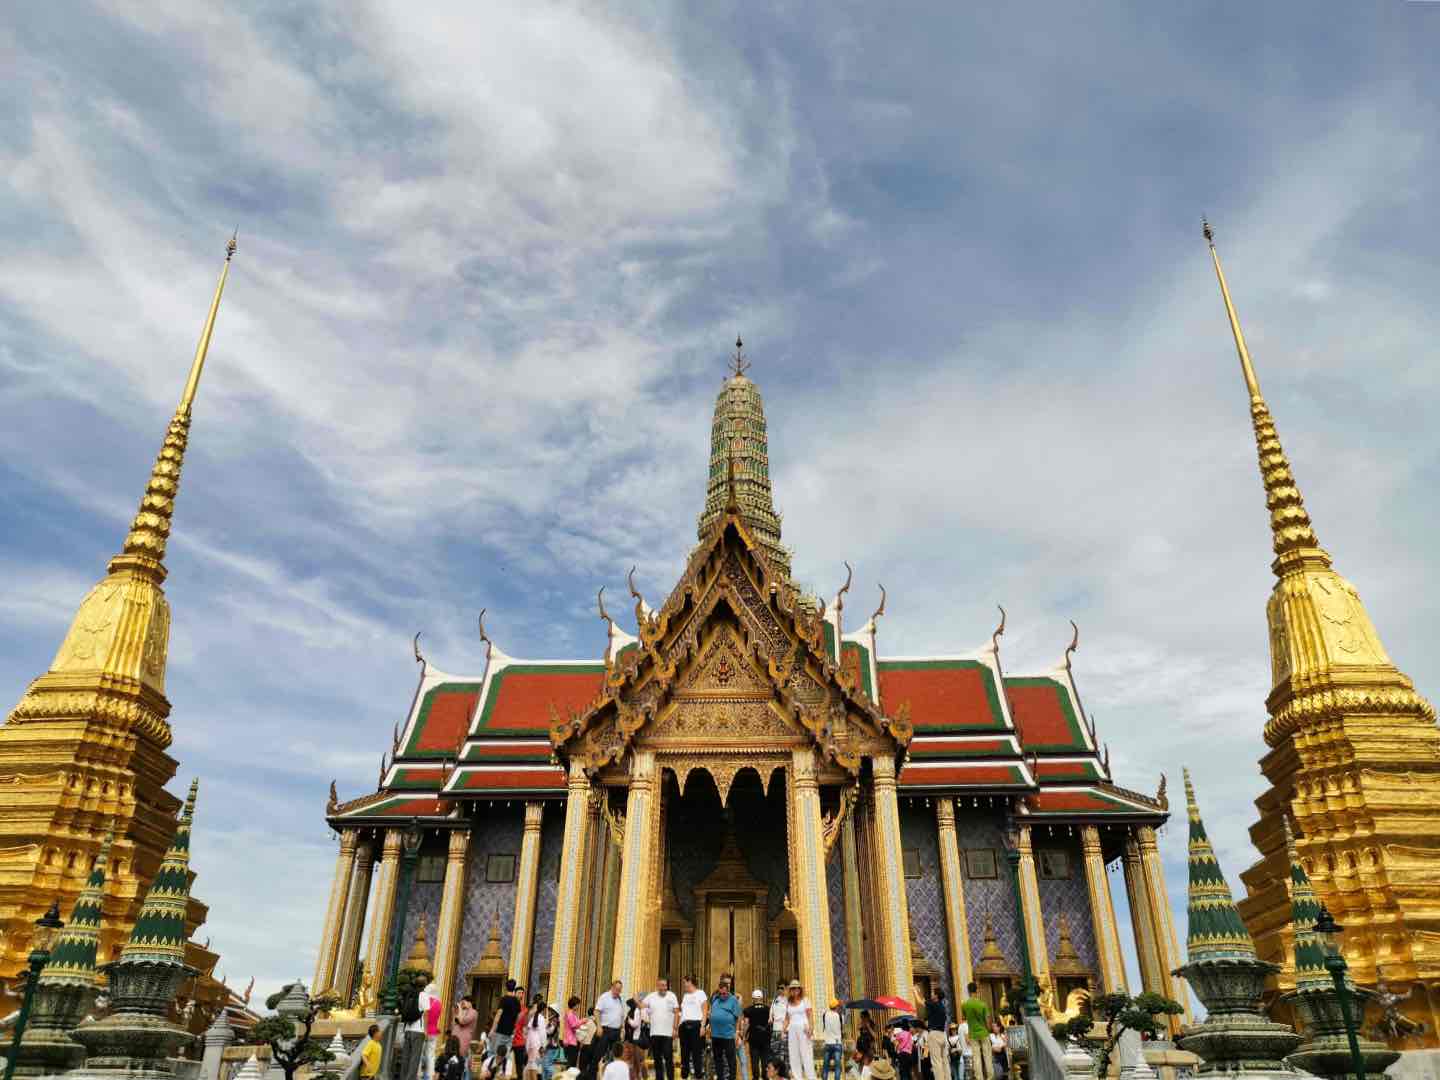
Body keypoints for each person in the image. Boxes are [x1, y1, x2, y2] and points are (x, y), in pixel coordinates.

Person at [644, 978, 680, 1080]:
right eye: (661, 985)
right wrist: (636, 1000)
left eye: (665, 985)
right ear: (657, 986)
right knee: (657, 1059)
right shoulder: (651, 996)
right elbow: (642, 1006)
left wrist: (675, 1029)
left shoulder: (672, 996)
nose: (664, 987)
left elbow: (677, 1012)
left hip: (668, 1034)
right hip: (654, 1033)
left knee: (669, 1058)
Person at [707, 978, 743, 1080]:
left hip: (728, 1035)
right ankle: (720, 1077)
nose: (722, 996)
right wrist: (709, 1026)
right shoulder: (715, 999)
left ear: (728, 991)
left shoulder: (733, 1000)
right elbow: (711, 1014)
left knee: (731, 1060)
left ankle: (732, 1078)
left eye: (724, 994)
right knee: (717, 1059)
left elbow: (738, 1017)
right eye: (721, 993)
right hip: (715, 1035)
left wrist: (737, 1032)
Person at [402, 981, 437, 1080]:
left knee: (406, 1057)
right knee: (414, 1059)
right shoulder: (424, 995)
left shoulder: (410, 994)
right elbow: (426, 1013)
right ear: (425, 986)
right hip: (418, 1031)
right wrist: (425, 1030)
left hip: (408, 1029)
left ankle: (403, 1077)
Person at [781, 981, 813, 1080]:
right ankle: (797, 1077)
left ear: (800, 989)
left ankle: (811, 1077)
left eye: (797, 988)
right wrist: (783, 1030)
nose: (795, 990)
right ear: (790, 990)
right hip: (792, 1030)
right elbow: (787, 1018)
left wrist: (811, 1029)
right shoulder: (788, 1002)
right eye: (793, 988)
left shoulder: (805, 1000)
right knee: (793, 1055)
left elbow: (810, 1015)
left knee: (806, 1055)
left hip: (804, 1029)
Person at [596, 981, 627, 1075]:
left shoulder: (620, 999)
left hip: (616, 1031)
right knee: (600, 1054)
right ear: (612, 987)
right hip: (606, 1030)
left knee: (616, 1055)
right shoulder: (604, 997)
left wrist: (622, 1029)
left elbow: (621, 1016)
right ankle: (595, 1075)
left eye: (620, 990)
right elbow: (597, 1012)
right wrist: (599, 1026)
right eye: (617, 989)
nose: (618, 992)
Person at [959, 987, 990, 1080]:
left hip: (973, 1034)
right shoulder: (982, 1004)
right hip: (984, 1033)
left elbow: (964, 1016)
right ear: (977, 991)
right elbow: (987, 1020)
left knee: (976, 1058)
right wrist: (987, 1029)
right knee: (987, 1056)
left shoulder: (965, 1005)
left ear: (968, 991)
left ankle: (979, 1078)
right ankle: (990, 1077)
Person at [679, 977, 707, 1080]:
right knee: (684, 1054)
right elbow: (683, 1013)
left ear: (690, 982)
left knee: (696, 1055)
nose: (684, 985)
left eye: (685, 983)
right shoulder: (685, 996)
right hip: (684, 1027)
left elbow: (704, 1010)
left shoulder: (700, 993)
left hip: (696, 1026)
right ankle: (684, 1076)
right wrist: (678, 1026)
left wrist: (703, 1026)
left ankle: (698, 1077)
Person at [494, 982, 524, 1073]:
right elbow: (519, 1017)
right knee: (506, 1055)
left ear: (506, 987)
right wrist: (514, 1027)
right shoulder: (517, 1002)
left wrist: (493, 1028)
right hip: (510, 1032)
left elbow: (499, 1014)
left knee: (497, 1054)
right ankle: (503, 1073)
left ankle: (495, 1074)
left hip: (501, 1031)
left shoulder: (504, 999)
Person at [742, 990, 770, 1080]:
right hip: (766, 1039)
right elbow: (770, 1022)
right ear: (761, 998)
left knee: (754, 1060)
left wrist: (744, 1035)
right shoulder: (768, 1009)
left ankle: (755, 1077)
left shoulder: (748, 1010)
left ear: (753, 998)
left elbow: (746, 1024)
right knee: (765, 1060)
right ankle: (765, 1077)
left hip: (753, 1039)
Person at [923, 992, 947, 1080]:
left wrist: (914, 991)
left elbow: (920, 1001)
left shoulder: (933, 1004)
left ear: (936, 996)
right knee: (944, 1061)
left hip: (934, 1034)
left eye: (933, 993)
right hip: (942, 1034)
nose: (932, 995)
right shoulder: (943, 1007)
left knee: (936, 1062)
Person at [625, 996, 650, 1080]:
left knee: (638, 1060)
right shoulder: (644, 1011)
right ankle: (643, 1077)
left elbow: (635, 1024)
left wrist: (629, 1020)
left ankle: (640, 1077)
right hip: (644, 1038)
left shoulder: (636, 1010)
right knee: (641, 1060)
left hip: (637, 1037)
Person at [819, 1001, 843, 1080]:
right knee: (837, 1067)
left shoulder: (825, 1014)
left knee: (825, 1066)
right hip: (837, 1043)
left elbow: (824, 1025)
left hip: (828, 1043)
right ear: (836, 1007)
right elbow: (841, 1028)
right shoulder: (840, 1016)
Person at [768, 985, 788, 1072]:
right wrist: (770, 1018)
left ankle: (784, 1072)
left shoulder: (787, 1001)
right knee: (775, 1051)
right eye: (779, 989)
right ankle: (777, 1071)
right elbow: (771, 1012)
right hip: (776, 1029)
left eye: (782, 989)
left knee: (784, 1052)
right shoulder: (775, 1000)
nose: (780, 990)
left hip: (784, 1030)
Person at [563, 997, 585, 1069]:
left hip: (572, 1040)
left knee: (572, 1062)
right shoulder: (570, 1014)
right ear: (574, 1005)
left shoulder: (572, 1014)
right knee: (571, 1062)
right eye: (578, 1004)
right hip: (570, 1041)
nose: (578, 1006)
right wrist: (582, 1021)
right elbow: (574, 1025)